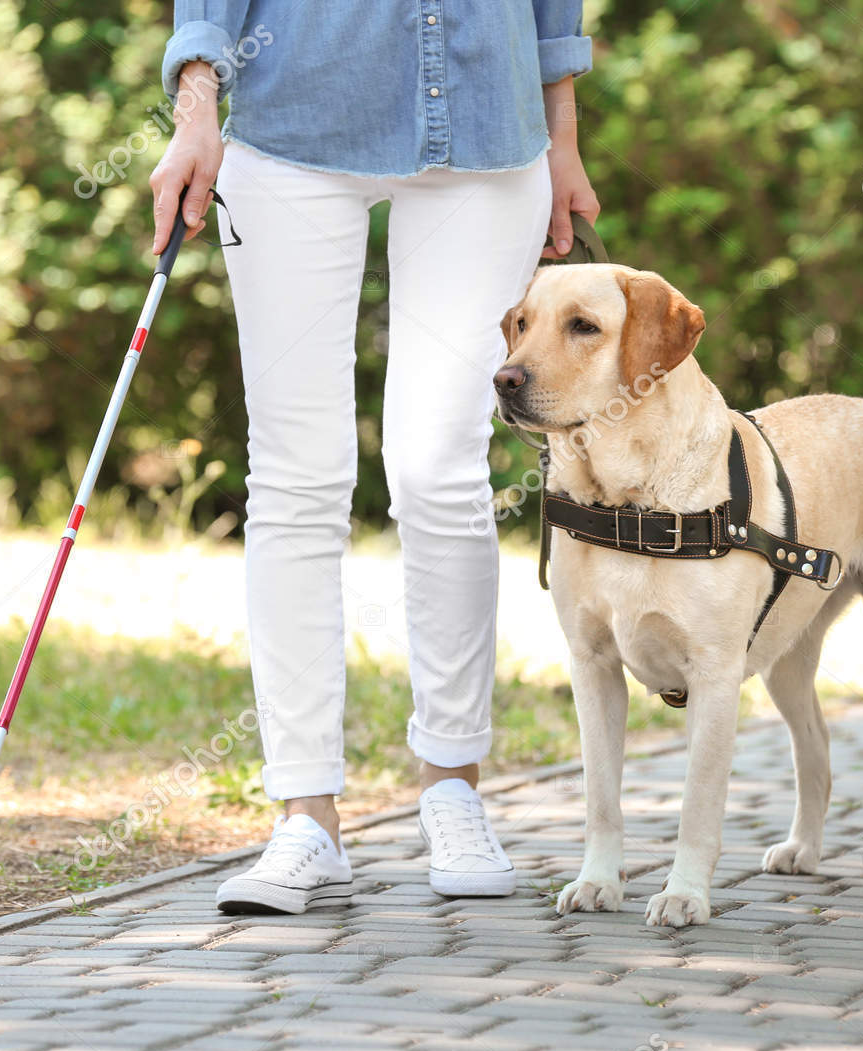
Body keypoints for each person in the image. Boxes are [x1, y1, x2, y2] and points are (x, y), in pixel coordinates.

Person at [150, 2, 599, 914]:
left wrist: (562, 135)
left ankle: (453, 787)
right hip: (289, 126)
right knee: (295, 475)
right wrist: (197, 103)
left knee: (440, 465)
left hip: (488, 128)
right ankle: (304, 814)